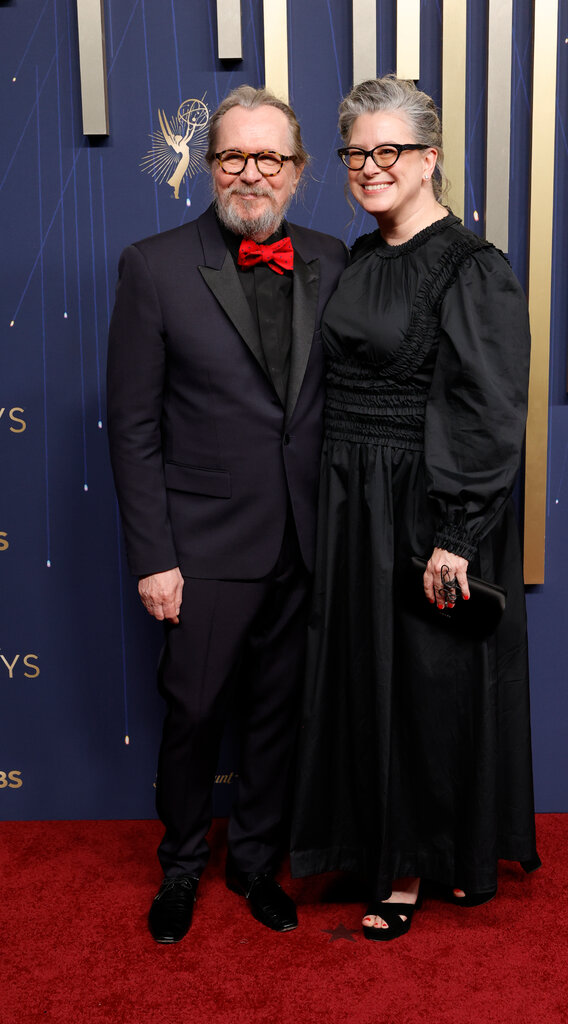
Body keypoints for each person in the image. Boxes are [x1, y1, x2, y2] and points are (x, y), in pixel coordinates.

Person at [290, 76, 539, 941]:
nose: (370, 167)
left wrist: (455, 533)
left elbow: (488, 404)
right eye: (356, 153)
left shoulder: (472, 266)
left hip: (421, 498)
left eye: (389, 150)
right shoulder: (359, 257)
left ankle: (417, 865)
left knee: (427, 680)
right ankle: (380, 844)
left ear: (431, 157)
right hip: (349, 496)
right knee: (369, 674)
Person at [107, 85, 347, 943]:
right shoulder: (154, 265)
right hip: (201, 546)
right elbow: (133, 424)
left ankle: (252, 864)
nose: (252, 174)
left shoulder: (334, 258)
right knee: (197, 712)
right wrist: (152, 555)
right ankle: (179, 868)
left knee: (280, 713)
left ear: (297, 172)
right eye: (234, 157)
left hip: (306, 536)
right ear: (209, 168)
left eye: (270, 159)